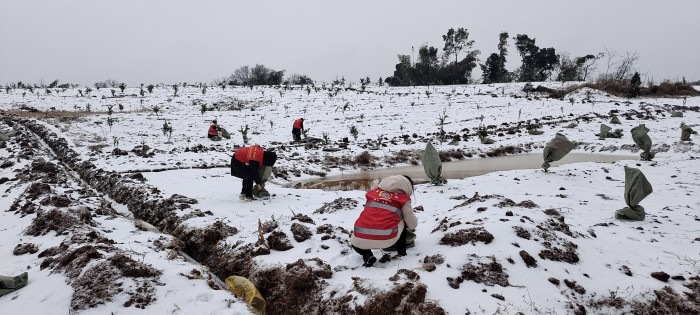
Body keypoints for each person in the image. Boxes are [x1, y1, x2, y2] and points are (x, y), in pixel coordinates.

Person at [350, 175, 417, 267]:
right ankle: (402, 252)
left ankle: (367, 255)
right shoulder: (403, 199)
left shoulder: (372, 193)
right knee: (402, 219)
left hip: (360, 238)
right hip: (387, 239)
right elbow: (412, 224)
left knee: (355, 242)